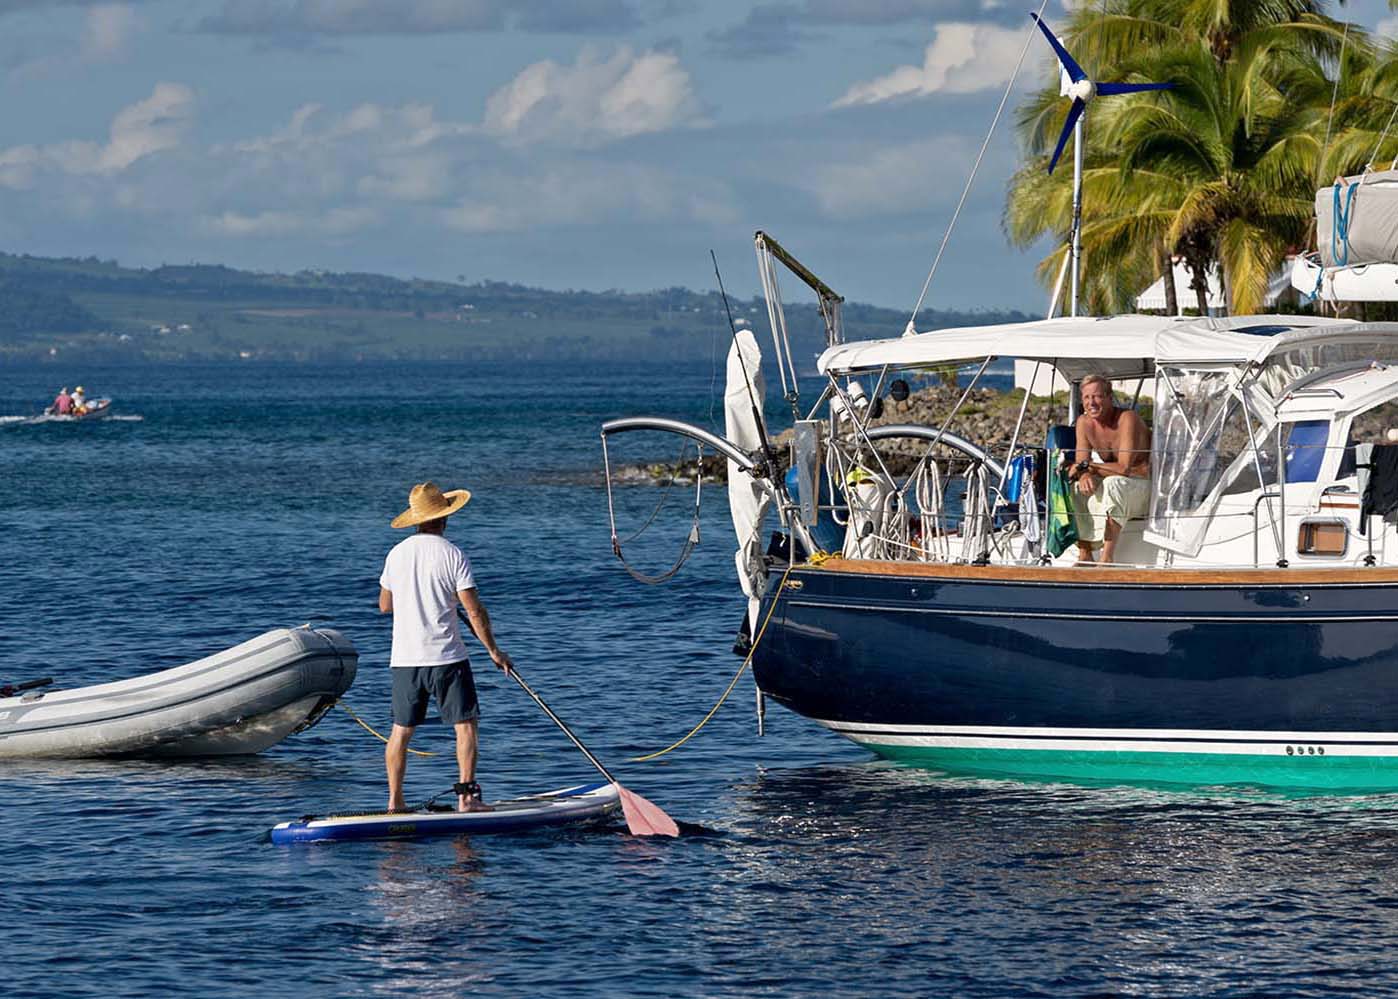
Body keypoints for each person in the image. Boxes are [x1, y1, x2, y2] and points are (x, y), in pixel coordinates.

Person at [378, 480, 513, 813]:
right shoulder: (452, 553)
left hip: (405, 659)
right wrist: (494, 651)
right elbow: (475, 610)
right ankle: (467, 799)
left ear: (417, 519)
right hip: (447, 657)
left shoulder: (396, 554)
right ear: (444, 517)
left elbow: (385, 605)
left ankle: (395, 801)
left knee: (401, 731)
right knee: (465, 726)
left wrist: (421, 597)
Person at [1068, 374, 1152, 566]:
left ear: (1109, 397)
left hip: (1144, 486)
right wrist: (1085, 473)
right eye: (1087, 398)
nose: (1092, 403)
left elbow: (1123, 468)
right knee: (1076, 485)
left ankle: (1106, 558)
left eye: (1097, 396)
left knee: (1113, 483)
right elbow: (1082, 463)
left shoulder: (1127, 418)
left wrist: (1089, 467)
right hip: (1120, 483)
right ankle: (1085, 554)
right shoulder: (1084, 423)